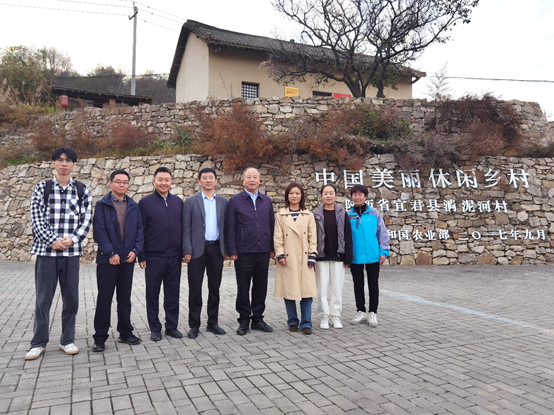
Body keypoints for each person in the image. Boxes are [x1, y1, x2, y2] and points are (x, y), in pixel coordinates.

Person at [25, 147, 93, 360]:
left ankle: (67, 340)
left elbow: (86, 220)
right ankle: (38, 343)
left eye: (69, 160)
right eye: (60, 160)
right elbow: (37, 219)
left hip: (71, 254)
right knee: (43, 300)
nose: (64, 164)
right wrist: (52, 240)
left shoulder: (81, 190)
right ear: (53, 162)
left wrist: (72, 239)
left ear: (74, 164)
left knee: (71, 299)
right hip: (46, 254)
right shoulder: (42, 188)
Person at [91, 170, 144, 352]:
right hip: (108, 261)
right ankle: (100, 338)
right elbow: (99, 232)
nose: (122, 185)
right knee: (104, 299)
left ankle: (125, 332)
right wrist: (110, 253)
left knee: (125, 298)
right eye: (118, 181)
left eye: (125, 182)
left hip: (127, 260)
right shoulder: (102, 205)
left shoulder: (133, 205)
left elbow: (139, 231)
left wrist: (135, 251)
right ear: (111, 183)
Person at [227, 167, 275, 335]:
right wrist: (232, 249)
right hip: (243, 252)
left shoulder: (266, 200)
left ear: (260, 180)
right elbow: (230, 227)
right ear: (243, 180)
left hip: (263, 251)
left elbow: (271, 225)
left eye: (255, 177)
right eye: (249, 177)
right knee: (243, 287)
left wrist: (272, 248)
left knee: (261, 286)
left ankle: (258, 319)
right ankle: (244, 320)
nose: (252, 180)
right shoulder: (235, 201)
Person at [138, 167, 184, 341]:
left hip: (174, 256)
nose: (163, 183)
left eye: (167, 180)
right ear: (154, 181)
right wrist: (141, 255)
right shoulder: (145, 203)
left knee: (173, 293)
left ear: (171, 182)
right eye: (160, 179)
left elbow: (183, 227)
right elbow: (140, 230)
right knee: (152, 294)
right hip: (153, 257)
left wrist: (183, 251)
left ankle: (171, 326)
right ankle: (155, 328)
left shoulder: (178, 202)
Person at [182, 168, 228, 339]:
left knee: (214, 288)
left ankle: (212, 322)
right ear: (199, 181)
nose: (208, 180)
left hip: (216, 249)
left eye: (211, 177)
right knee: (195, 289)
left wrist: (226, 249)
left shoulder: (223, 202)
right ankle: (194, 325)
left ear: (216, 181)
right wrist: (187, 250)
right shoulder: (190, 201)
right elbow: (186, 227)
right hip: (196, 251)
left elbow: (226, 227)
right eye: (205, 178)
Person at [274, 183, 318, 335]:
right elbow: (277, 237)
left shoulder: (308, 215)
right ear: (287, 195)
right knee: (289, 290)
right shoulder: (281, 215)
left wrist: (312, 254)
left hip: (305, 258)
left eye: (297, 193)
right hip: (288, 257)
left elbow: (313, 237)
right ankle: (292, 320)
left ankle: (306, 322)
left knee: (307, 292)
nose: (294, 196)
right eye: (291, 193)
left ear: (301, 196)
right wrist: (280, 254)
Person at [348, 184, 390, 327]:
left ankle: (373, 312)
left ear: (365, 196)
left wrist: (383, 252)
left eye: (360, 194)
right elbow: (345, 237)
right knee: (358, 285)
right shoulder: (348, 215)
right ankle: (360, 311)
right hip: (355, 255)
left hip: (373, 255)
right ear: (351, 197)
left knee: (373, 284)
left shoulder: (374, 213)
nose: (357, 197)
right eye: (354, 194)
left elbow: (382, 233)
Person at [312, 183, 353, 330]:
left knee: (337, 288)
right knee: (321, 288)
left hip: (338, 255)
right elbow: (311, 236)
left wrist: (348, 257)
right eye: (325, 193)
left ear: (335, 195)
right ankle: (324, 316)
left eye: (331, 193)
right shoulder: (315, 214)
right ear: (321, 196)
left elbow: (348, 235)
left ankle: (335, 316)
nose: (328, 196)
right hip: (321, 256)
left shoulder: (342, 213)